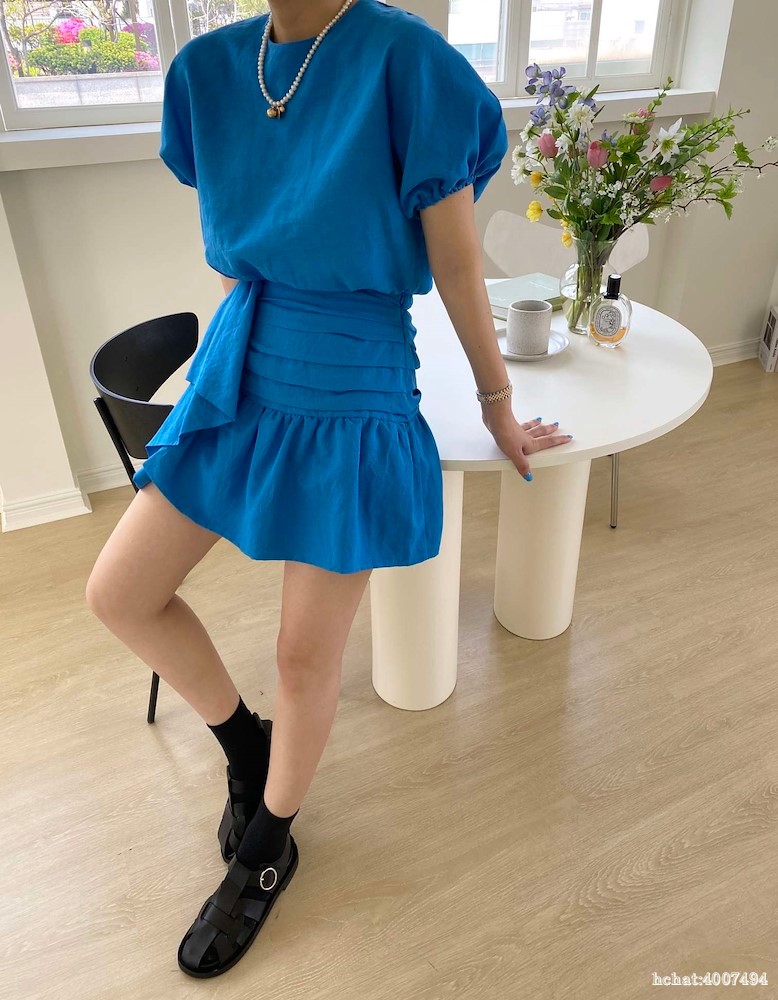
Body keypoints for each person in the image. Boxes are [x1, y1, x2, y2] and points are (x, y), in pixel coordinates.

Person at [85, 0, 573, 979]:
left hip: (353, 375)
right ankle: (246, 747)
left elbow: (457, 261)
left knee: (304, 655)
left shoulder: (408, 61)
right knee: (119, 593)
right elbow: (245, 232)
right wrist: (230, 358)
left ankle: (269, 847)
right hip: (240, 360)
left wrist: (496, 403)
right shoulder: (208, 70)